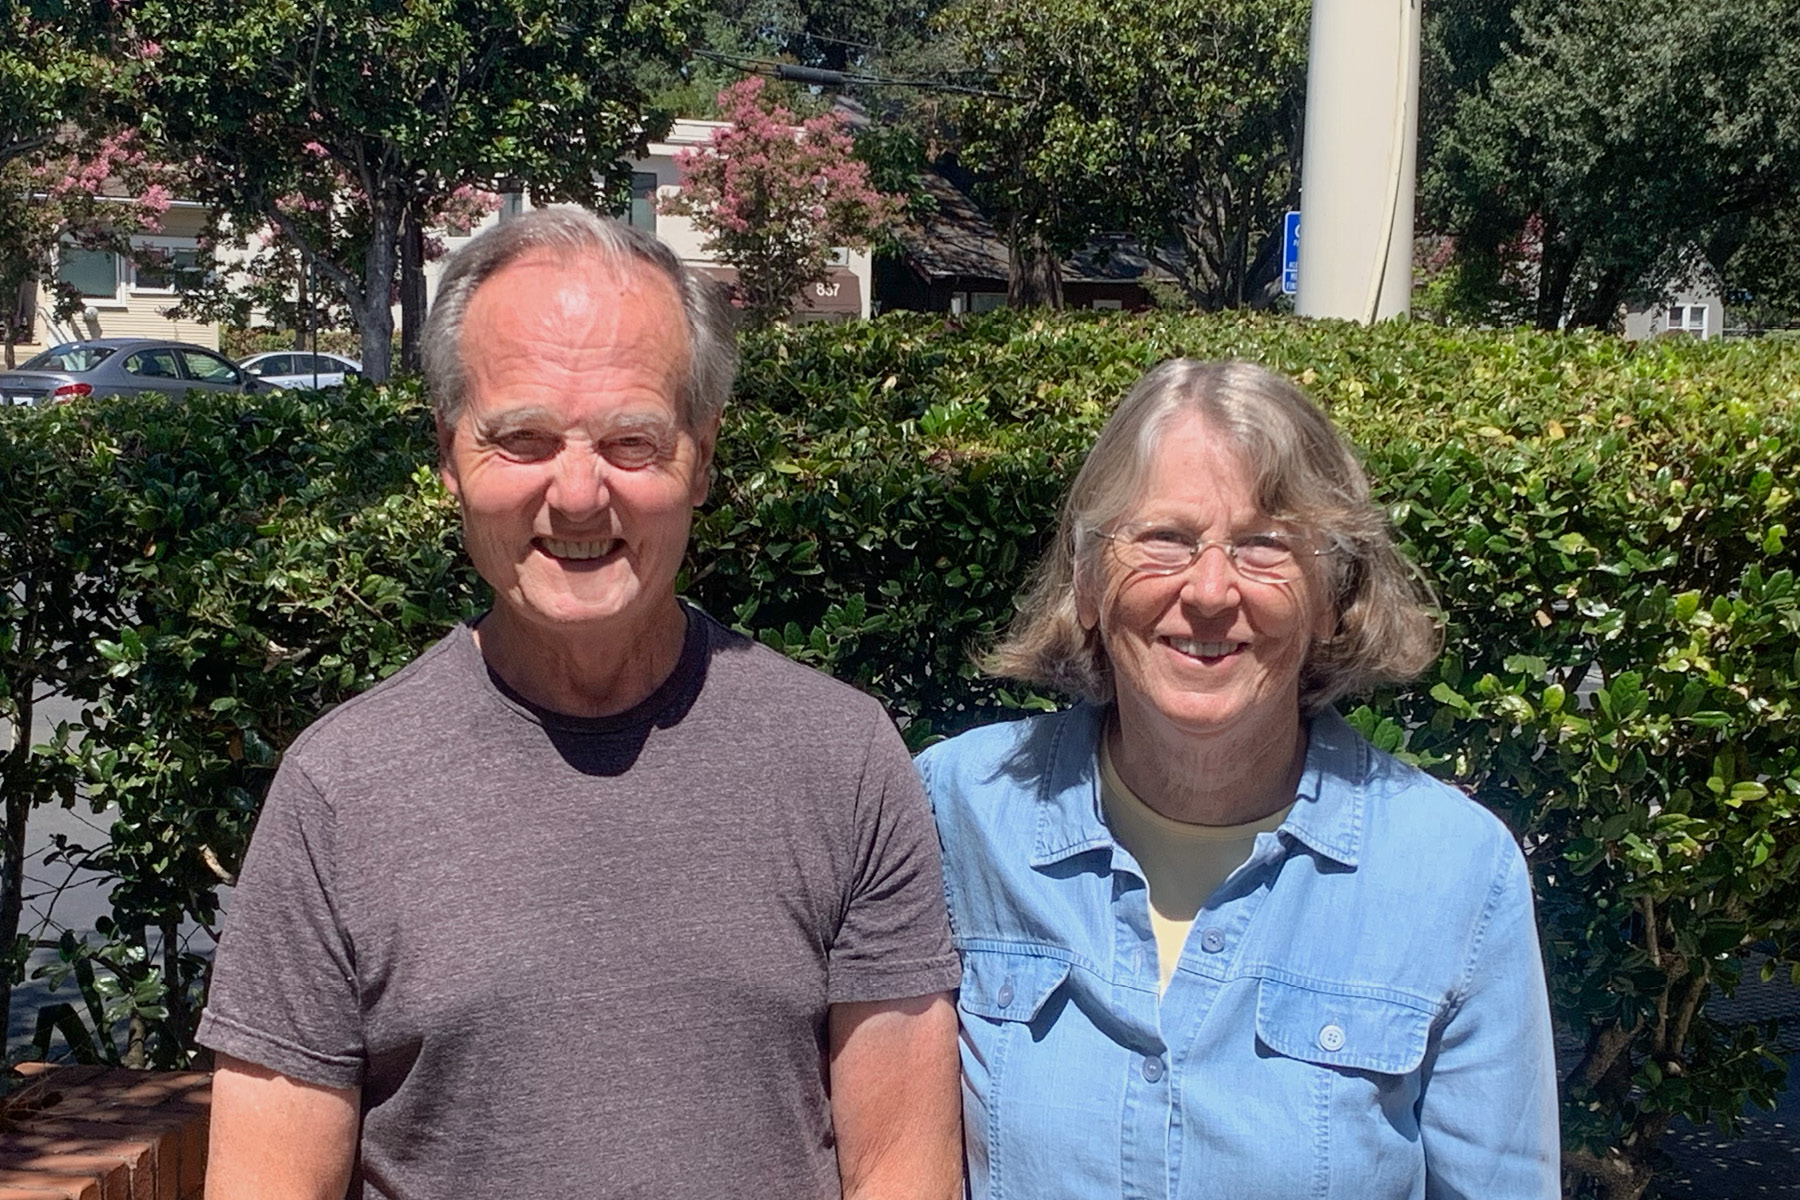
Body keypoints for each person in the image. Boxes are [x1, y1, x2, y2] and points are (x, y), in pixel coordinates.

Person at [198, 207, 962, 1200]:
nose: (577, 495)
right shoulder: (340, 793)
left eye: (630, 440)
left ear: (701, 453)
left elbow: (903, 1172)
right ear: (448, 455)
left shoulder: (842, 762)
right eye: (523, 437)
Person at [917, 359, 1559, 1198]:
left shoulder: (1456, 875)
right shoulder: (955, 812)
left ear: (1334, 595)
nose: (1211, 591)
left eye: (1264, 546)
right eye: (1163, 539)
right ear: (1085, 580)